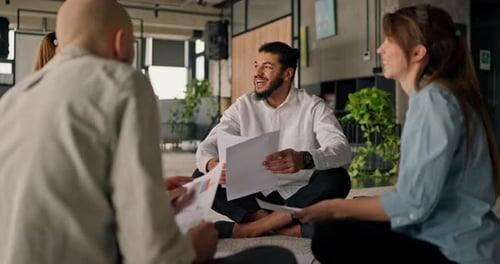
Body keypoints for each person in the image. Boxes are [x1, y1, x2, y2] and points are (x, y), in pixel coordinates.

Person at [0, 0, 297, 263]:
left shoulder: (12, 100)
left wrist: (151, 192)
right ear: (120, 42)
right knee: (276, 256)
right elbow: (152, 254)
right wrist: (192, 249)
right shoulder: (121, 82)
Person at [295, 4, 500, 263]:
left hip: (453, 246)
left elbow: (413, 203)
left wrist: (334, 207)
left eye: (389, 41)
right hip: (445, 231)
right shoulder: (440, 95)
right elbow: (420, 193)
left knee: (331, 234)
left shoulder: (434, 101)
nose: (380, 48)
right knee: (349, 219)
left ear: (417, 52)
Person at [194, 41, 352, 238]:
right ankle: (285, 226)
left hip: (301, 193)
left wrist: (305, 158)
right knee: (200, 175)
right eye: (256, 66)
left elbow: (341, 149)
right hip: (254, 194)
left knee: (337, 177)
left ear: (287, 74)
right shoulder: (243, 105)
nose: (257, 73)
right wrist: (212, 165)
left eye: (267, 67)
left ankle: (252, 229)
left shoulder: (313, 107)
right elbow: (208, 145)